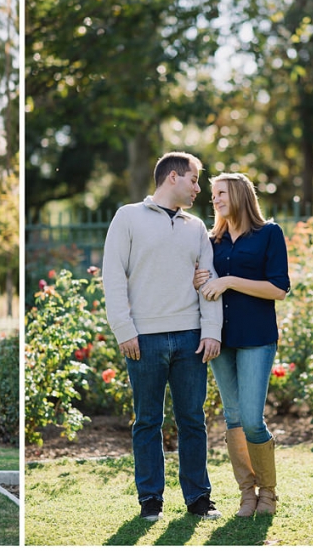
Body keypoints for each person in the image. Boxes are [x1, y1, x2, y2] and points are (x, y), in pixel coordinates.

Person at [102, 151, 224, 522]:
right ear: (173, 177)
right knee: (147, 421)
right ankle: (150, 500)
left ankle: (199, 499)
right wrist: (124, 329)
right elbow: (113, 276)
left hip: (190, 339)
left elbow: (209, 282)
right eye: (194, 179)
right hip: (144, 339)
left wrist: (211, 331)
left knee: (192, 421)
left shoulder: (195, 227)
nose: (198, 188)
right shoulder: (128, 217)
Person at [193, 172, 290, 517]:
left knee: (251, 418)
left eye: (220, 193)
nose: (214, 199)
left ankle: (269, 493)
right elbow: (201, 280)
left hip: (256, 338)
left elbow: (278, 288)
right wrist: (199, 280)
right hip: (220, 338)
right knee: (233, 417)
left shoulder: (269, 234)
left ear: (239, 195)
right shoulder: (209, 240)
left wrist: (230, 280)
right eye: (212, 195)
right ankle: (247, 494)